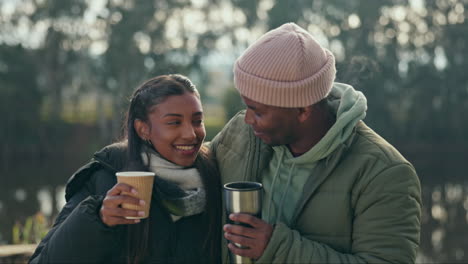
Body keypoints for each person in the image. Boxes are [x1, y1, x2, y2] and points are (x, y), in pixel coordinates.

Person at [210, 23, 422, 263]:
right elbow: (194, 171)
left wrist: (277, 248)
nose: (247, 119)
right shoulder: (242, 133)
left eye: (257, 111)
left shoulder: (384, 173)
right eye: (246, 106)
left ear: (302, 110)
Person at [29, 74, 221, 264]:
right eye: (174, 122)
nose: (190, 134)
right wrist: (99, 219)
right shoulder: (105, 179)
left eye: (197, 121)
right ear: (143, 129)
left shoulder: (215, 174)